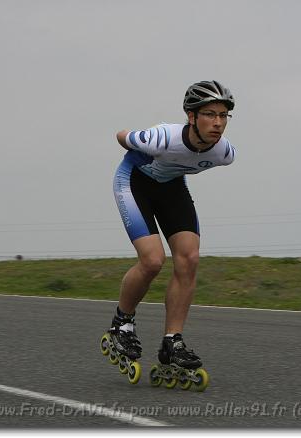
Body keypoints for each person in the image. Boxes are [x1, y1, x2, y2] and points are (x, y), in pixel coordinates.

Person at [106, 80, 237, 377]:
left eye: (223, 115)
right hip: (134, 181)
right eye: (210, 114)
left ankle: (172, 341)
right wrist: (134, 141)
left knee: (189, 258)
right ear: (191, 116)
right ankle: (121, 324)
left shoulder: (224, 153)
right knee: (153, 260)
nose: (218, 123)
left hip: (171, 188)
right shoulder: (163, 137)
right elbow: (121, 135)